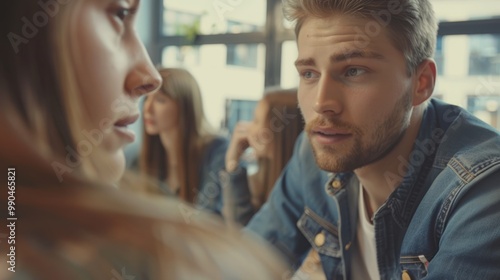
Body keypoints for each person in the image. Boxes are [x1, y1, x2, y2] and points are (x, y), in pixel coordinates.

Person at [0, 1, 288, 279]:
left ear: (185, 107)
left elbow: (230, 226)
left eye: (161, 101)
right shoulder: (140, 161)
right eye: (121, 13)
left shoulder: (212, 152)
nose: (149, 83)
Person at [246, 0, 500, 279]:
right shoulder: (314, 151)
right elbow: (245, 262)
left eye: (354, 70)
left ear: (421, 83)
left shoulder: (484, 188)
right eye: (309, 73)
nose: (321, 103)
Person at [139, 67, 228, 215]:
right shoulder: (141, 157)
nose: (147, 109)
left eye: (160, 100)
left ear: (185, 106)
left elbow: (209, 216)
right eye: (147, 98)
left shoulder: (216, 150)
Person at [222, 88, 304, 225]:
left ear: (280, 131)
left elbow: (241, 236)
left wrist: (232, 166)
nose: (247, 128)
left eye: (256, 121)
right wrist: (232, 163)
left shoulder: (299, 196)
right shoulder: (258, 181)